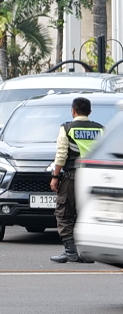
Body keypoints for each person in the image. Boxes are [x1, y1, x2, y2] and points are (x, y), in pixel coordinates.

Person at [50, 97, 102, 264]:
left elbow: (61, 155)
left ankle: (70, 251)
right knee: (86, 214)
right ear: (90, 112)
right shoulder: (100, 129)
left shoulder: (67, 128)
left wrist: (55, 176)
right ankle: (86, 252)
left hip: (73, 176)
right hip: (95, 177)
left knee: (64, 213)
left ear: (73, 110)